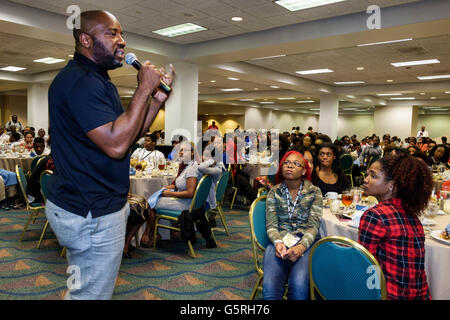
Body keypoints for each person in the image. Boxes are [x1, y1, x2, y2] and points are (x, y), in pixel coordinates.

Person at [45, 10, 174, 300]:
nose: (122, 41)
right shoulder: (82, 82)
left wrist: (155, 100)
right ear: (85, 39)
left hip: (89, 203)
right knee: (92, 295)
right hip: (91, 209)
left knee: (82, 286)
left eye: (121, 33)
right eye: (111, 33)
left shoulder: (96, 80)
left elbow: (128, 135)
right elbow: (116, 146)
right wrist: (142, 87)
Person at [359, 153, 432, 299]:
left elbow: (363, 264)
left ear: (391, 186)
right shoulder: (413, 215)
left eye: (373, 176)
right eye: (367, 174)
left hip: (389, 294)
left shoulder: (375, 215)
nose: (365, 180)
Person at [263, 150, 323, 300]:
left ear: (304, 171)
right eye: (286, 163)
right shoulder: (274, 192)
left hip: (305, 242)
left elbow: (313, 226)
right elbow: (271, 224)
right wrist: (277, 242)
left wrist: (301, 246)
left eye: (296, 164)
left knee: (299, 286)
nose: (289, 166)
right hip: (280, 240)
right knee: (270, 288)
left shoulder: (315, 192)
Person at [137, 141, 202, 252]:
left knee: (150, 205)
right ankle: (157, 233)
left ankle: (155, 234)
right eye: (180, 150)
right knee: (156, 198)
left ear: (192, 153)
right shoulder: (187, 165)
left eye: (184, 150)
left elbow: (190, 193)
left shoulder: (192, 168)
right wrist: (170, 188)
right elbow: (179, 185)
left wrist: (170, 193)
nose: (181, 153)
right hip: (185, 200)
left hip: (186, 203)